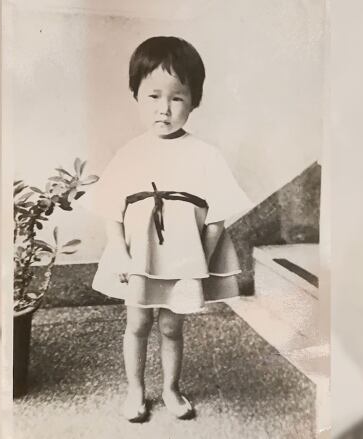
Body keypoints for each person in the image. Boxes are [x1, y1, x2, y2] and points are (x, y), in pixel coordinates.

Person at [89, 36, 252, 422]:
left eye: (177, 97)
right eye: (153, 96)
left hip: (183, 258)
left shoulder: (205, 155)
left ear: (195, 100)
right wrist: (120, 253)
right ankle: (135, 390)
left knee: (171, 325)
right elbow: (111, 208)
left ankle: (172, 389)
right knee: (138, 322)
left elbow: (216, 217)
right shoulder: (129, 153)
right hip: (139, 258)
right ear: (136, 96)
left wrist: (201, 262)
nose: (164, 109)